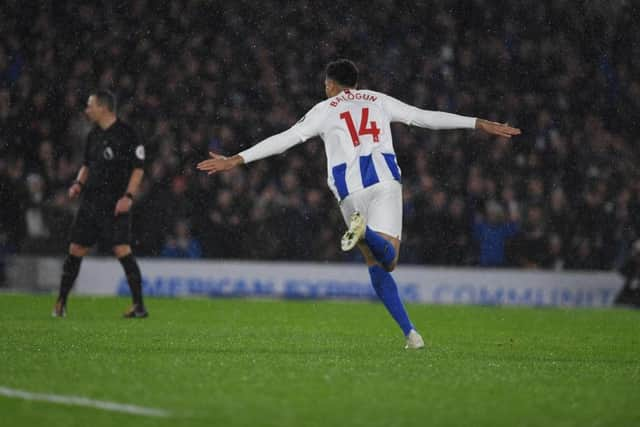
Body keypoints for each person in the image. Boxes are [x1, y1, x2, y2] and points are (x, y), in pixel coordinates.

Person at [197, 59, 521, 349]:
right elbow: (423, 118)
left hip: (349, 193)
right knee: (389, 260)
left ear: (331, 85)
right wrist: (476, 122)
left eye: (326, 84)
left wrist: (238, 159)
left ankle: (411, 333)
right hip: (384, 184)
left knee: (373, 262)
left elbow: (285, 140)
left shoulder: (323, 110)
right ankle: (374, 254)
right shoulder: (378, 100)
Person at [52, 90, 148, 318]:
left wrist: (128, 197)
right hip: (91, 202)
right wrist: (77, 183)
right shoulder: (93, 134)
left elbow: (138, 168)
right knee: (75, 249)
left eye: (90, 105)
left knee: (122, 250)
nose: (87, 110)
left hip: (115, 203)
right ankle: (61, 302)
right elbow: (87, 164)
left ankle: (139, 306)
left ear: (103, 107)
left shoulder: (127, 134)